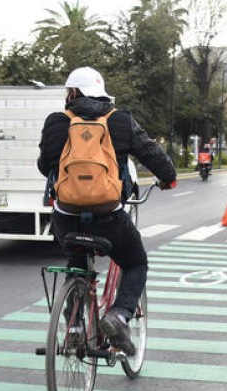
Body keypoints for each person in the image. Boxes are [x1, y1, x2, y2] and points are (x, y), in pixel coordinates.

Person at [37, 66, 176, 355]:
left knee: (76, 265)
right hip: (108, 217)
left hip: (67, 218)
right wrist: (168, 177)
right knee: (136, 262)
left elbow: (44, 165)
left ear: (73, 92)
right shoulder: (120, 120)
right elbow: (150, 152)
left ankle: (74, 329)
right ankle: (119, 315)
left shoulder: (56, 122)